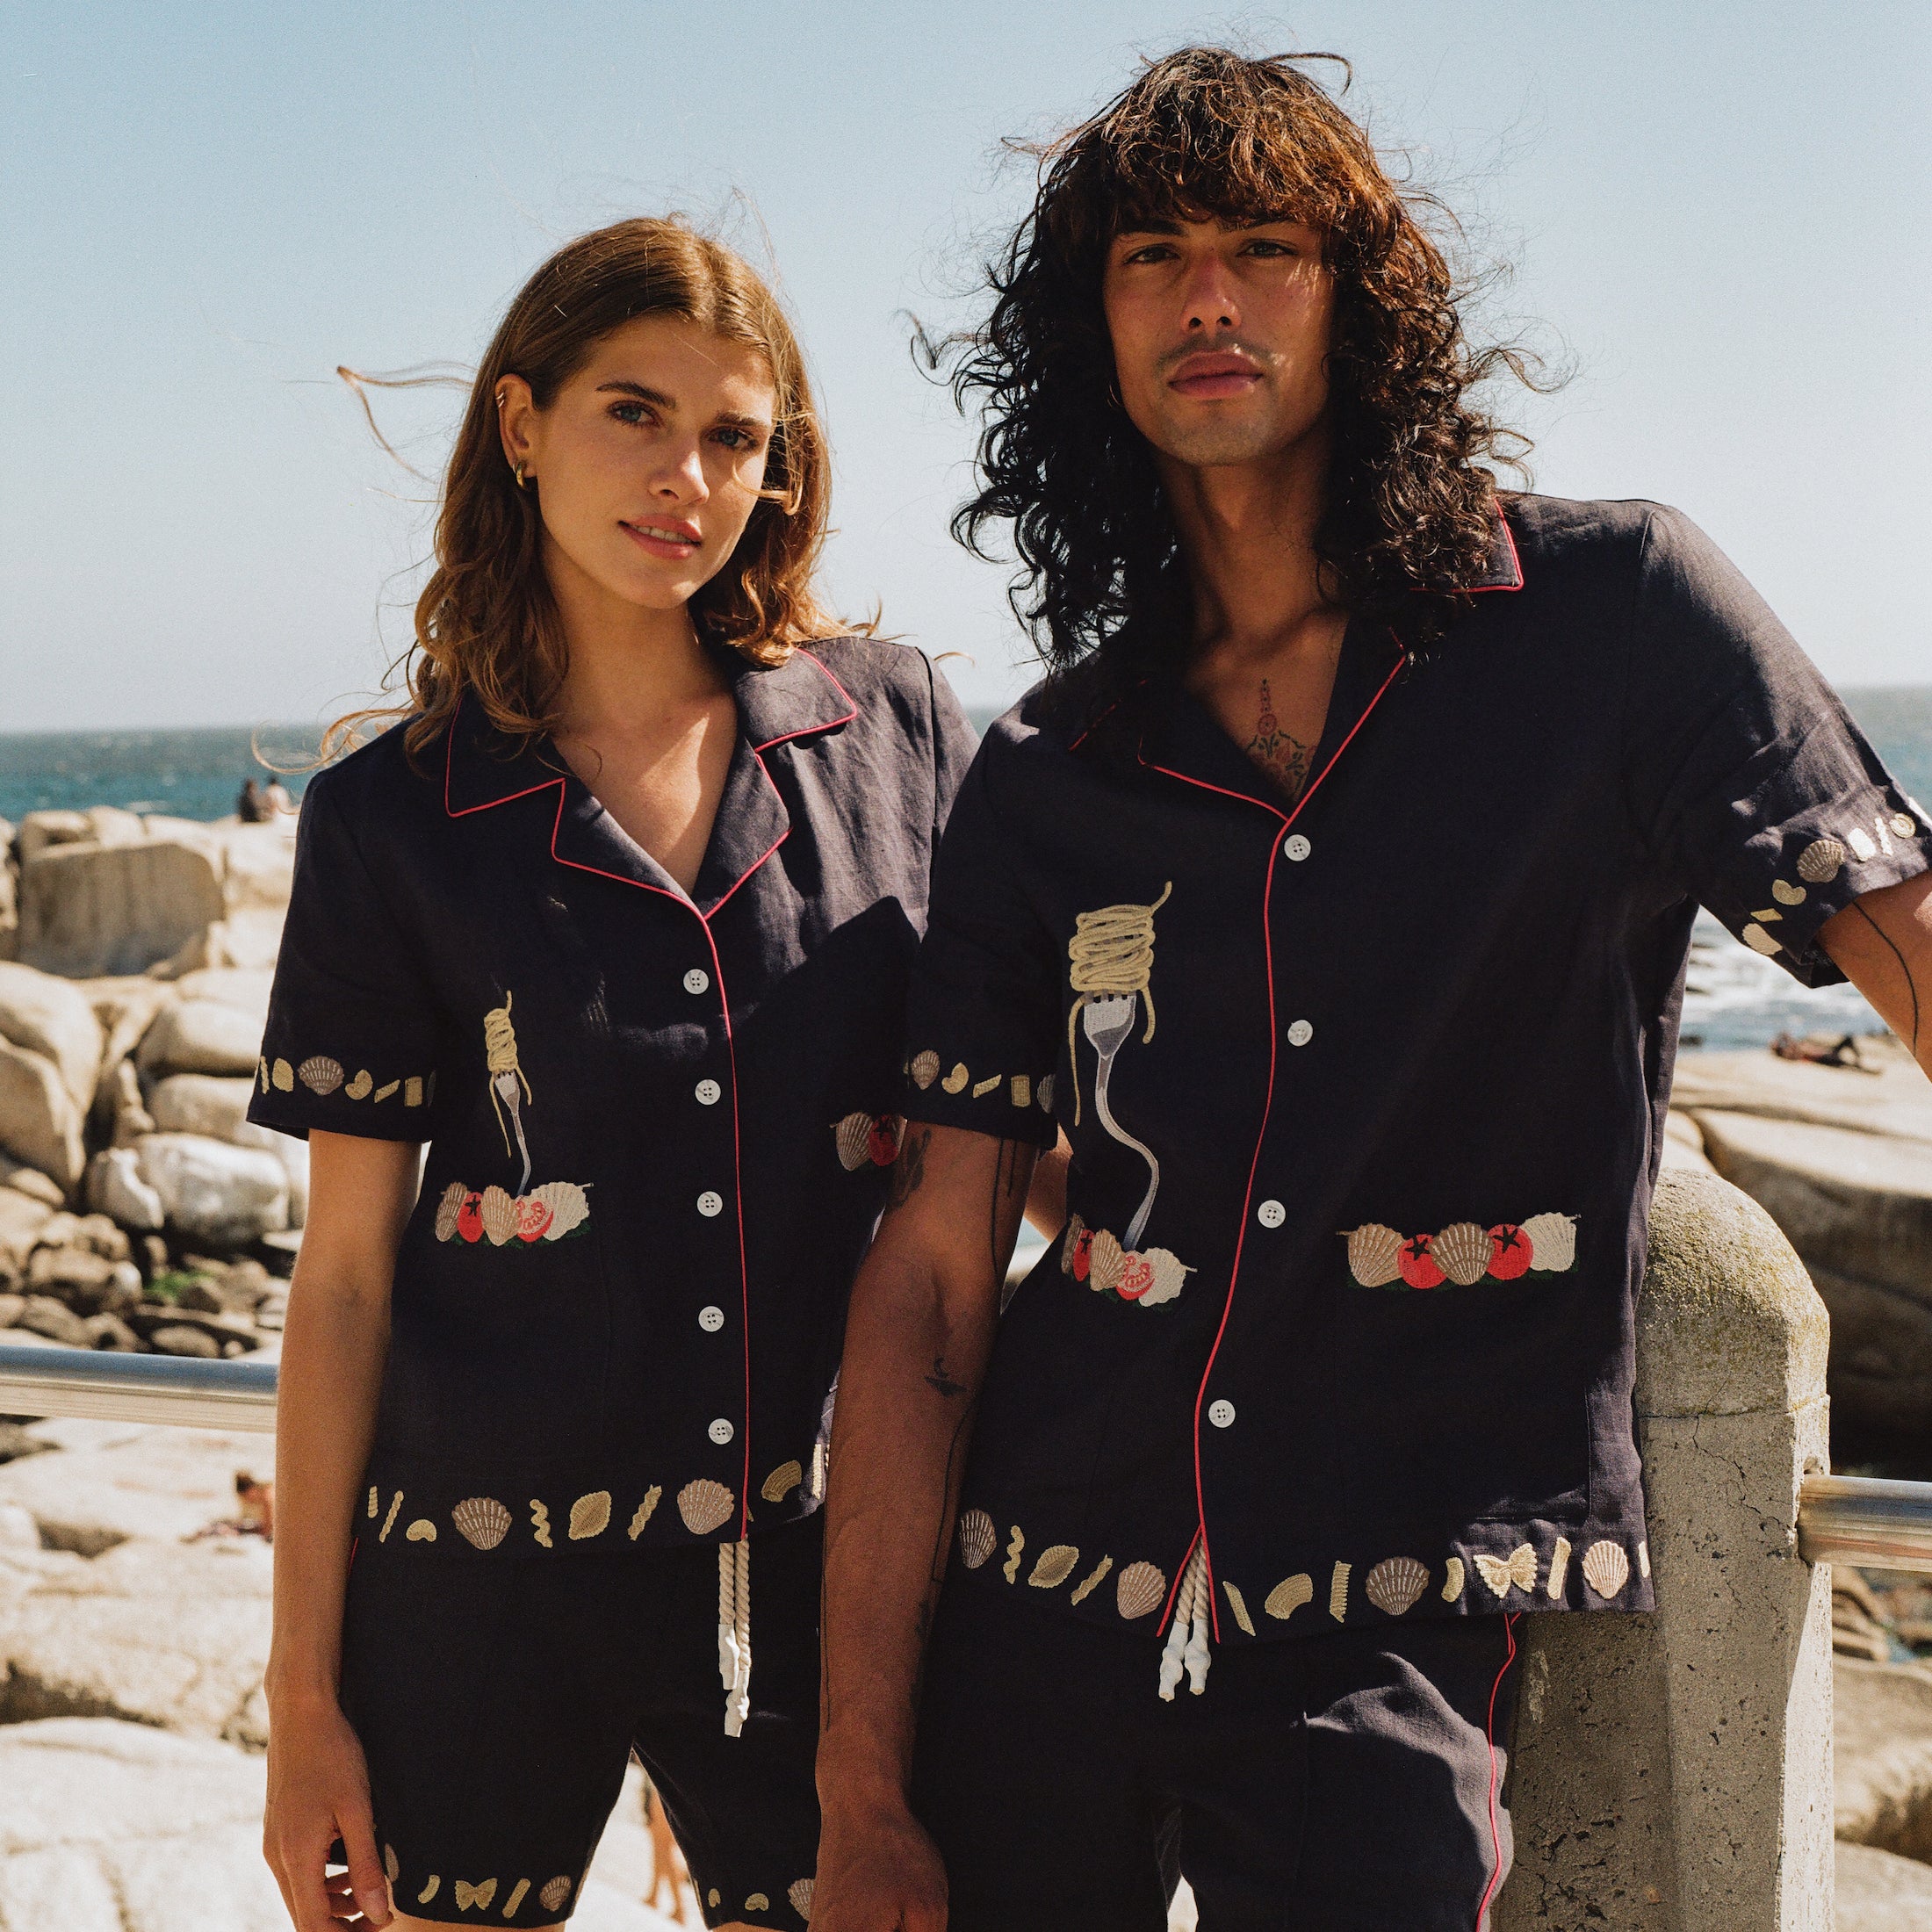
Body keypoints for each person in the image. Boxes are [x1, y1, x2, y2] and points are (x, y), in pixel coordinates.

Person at [812, 48, 1932, 1932]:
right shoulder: (1050, 765)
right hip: (1031, 1600)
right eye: (1148, 254)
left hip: (1390, 1612)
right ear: (1087, 329)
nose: (1207, 298)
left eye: (1266, 245)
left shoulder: (1610, 617)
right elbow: (933, 1275)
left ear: (1364, 302)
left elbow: (1898, 937)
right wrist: (856, 1777)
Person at [251, 217, 982, 1932]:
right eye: (631, 414)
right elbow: (346, 1279)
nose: (686, 475)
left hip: (821, 1593)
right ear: (521, 426)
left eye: (733, 435)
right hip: (472, 1599)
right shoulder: (392, 821)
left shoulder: (895, 743)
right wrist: (301, 1701)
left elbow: (993, 1141)